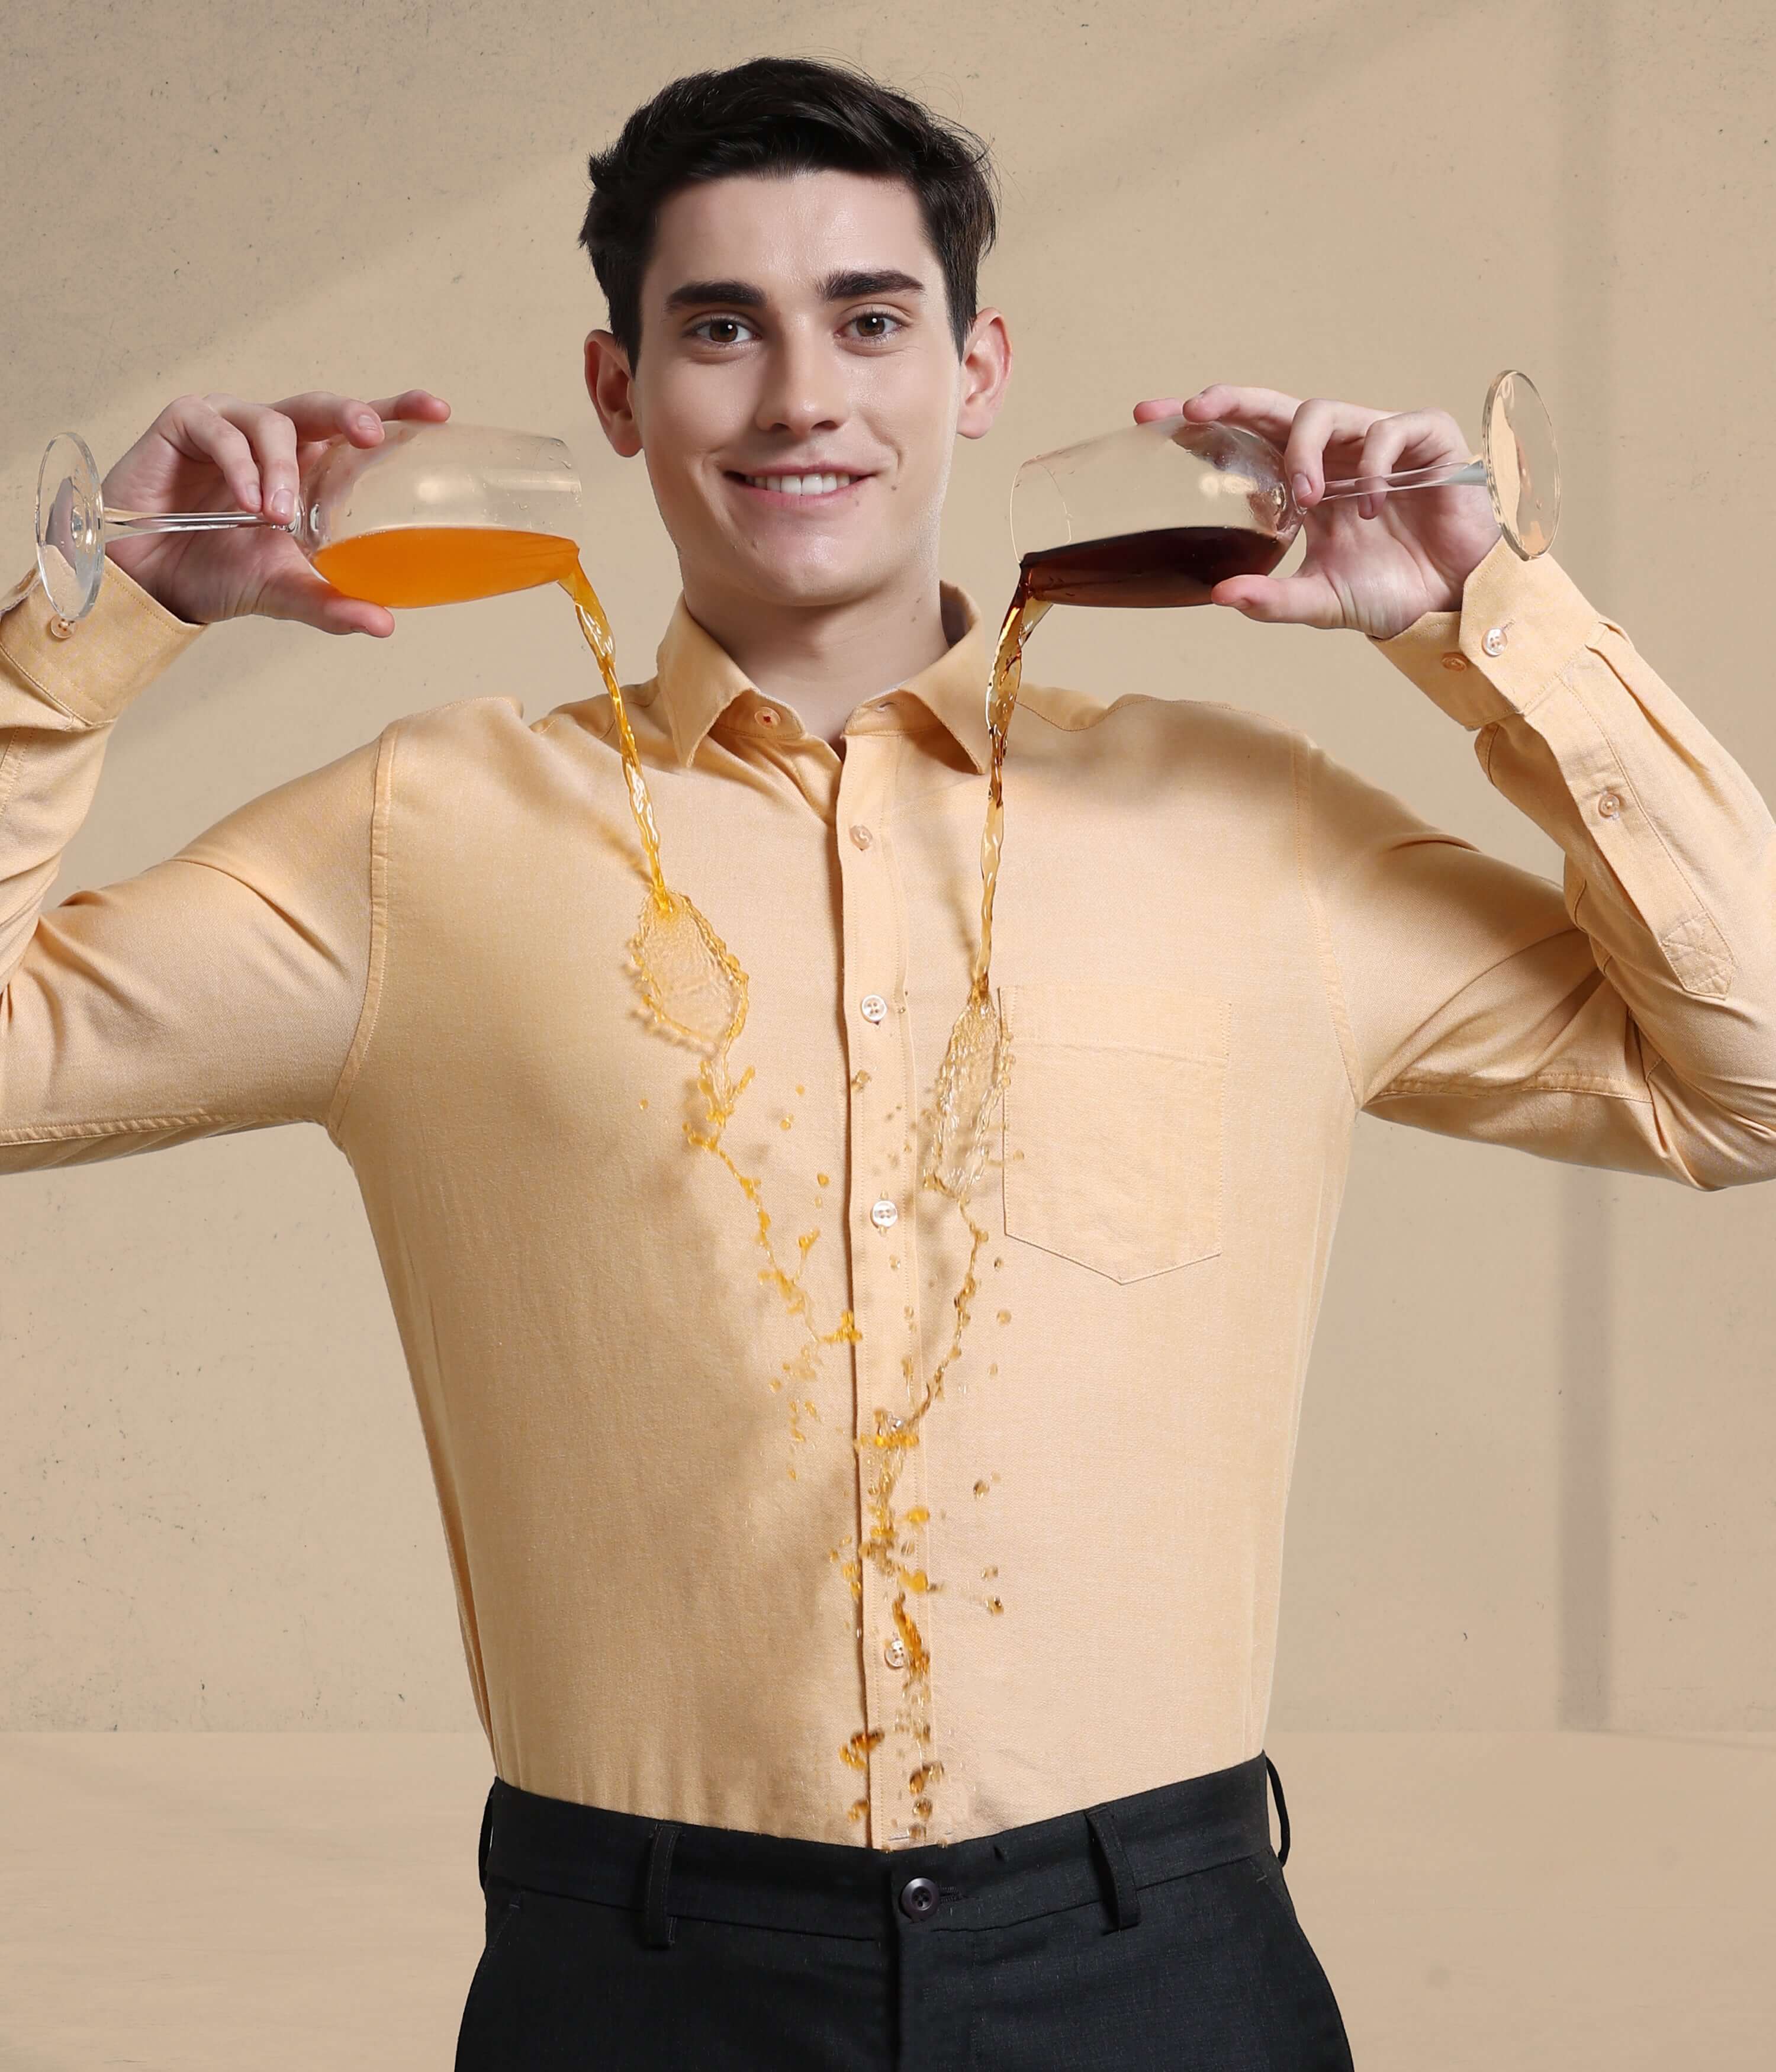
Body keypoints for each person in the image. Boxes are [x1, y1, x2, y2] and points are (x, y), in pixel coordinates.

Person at [4, 52, 1774, 2072]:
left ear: (980, 363)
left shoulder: (1249, 821)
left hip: (1160, 1958)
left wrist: (1492, 619)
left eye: (869, 318)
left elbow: (1754, 1071)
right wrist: (100, 612)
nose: (800, 399)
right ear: (616, 392)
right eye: (720, 330)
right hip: (641, 1976)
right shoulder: (424, 837)